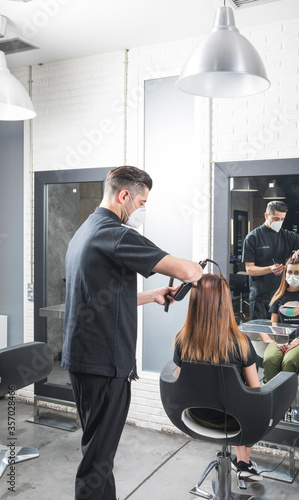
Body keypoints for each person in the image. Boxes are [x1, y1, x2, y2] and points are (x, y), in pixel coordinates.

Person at [61, 165, 203, 500]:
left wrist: (151, 295)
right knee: (97, 461)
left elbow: (97, 294)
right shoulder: (117, 233)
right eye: (140, 204)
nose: (139, 211)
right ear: (124, 195)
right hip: (104, 363)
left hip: (82, 360)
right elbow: (186, 270)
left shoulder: (86, 231)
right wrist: (199, 270)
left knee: (98, 451)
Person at [173, 273, 263, 481]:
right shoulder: (241, 343)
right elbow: (256, 391)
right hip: (231, 422)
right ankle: (244, 463)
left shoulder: (181, 339)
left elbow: (179, 381)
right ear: (225, 304)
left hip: (195, 417)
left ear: (194, 302)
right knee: (251, 406)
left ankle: (242, 463)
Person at [242, 200, 299, 320]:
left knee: (280, 334)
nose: (279, 222)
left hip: (282, 296)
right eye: (276, 218)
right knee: (261, 335)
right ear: (266, 215)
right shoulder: (253, 238)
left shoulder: (288, 236)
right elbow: (250, 270)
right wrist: (270, 269)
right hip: (261, 298)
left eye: (282, 219)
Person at [262, 258, 299, 382]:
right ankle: (272, 398)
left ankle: (286, 398)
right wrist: (279, 340)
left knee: (289, 361)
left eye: (297, 273)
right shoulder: (278, 296)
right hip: (281, 338)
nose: (292, 276)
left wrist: (298, 340)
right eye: (289, 272)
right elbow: (274, 325)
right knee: (269, 360)